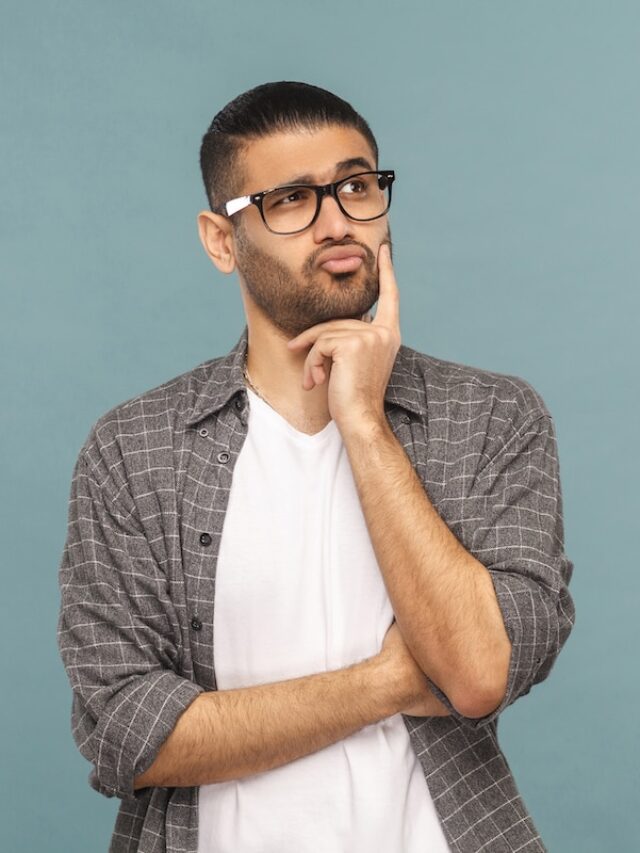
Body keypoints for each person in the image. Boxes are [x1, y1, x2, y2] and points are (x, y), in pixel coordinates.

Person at [57, 81, 576, 853]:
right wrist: (387, 683)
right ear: (221, 238)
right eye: (292, 199)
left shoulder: (493, 418)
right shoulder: (134, 450)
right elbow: (129, 732)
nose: (338, 221)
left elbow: (476, 671)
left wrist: (364, 424)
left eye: (357, 186)